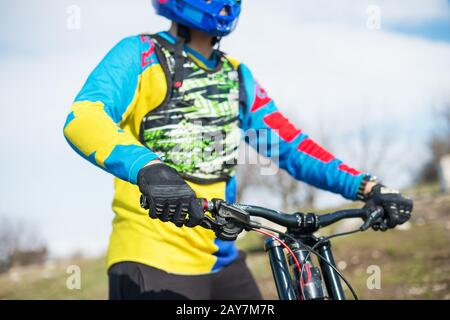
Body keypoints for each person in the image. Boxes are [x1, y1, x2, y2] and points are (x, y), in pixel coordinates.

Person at [63, 0, 413, 300]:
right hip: (152, 258)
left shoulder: (235, 76)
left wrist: (369, 187)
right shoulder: (139, 54)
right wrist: (147, 166)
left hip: (223, 259)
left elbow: (288, 147)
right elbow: (85, 117)